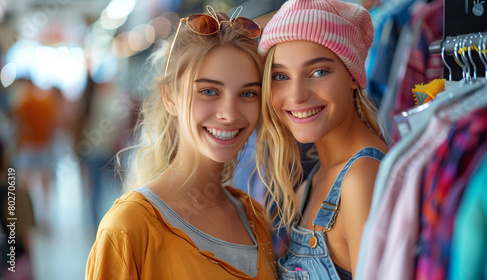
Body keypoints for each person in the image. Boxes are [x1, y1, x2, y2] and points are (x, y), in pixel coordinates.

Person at [85, 6, 277, 279]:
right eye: (209, 91)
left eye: (247, 93)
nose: (230, 113)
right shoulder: (129, 228)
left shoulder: (255, 218)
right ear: (170, 97)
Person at [255, 0, 389, 279]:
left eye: (318, 72)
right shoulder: (318, 175)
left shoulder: (361, 178)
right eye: (281, 76)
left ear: (353, 76)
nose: (296, 95)